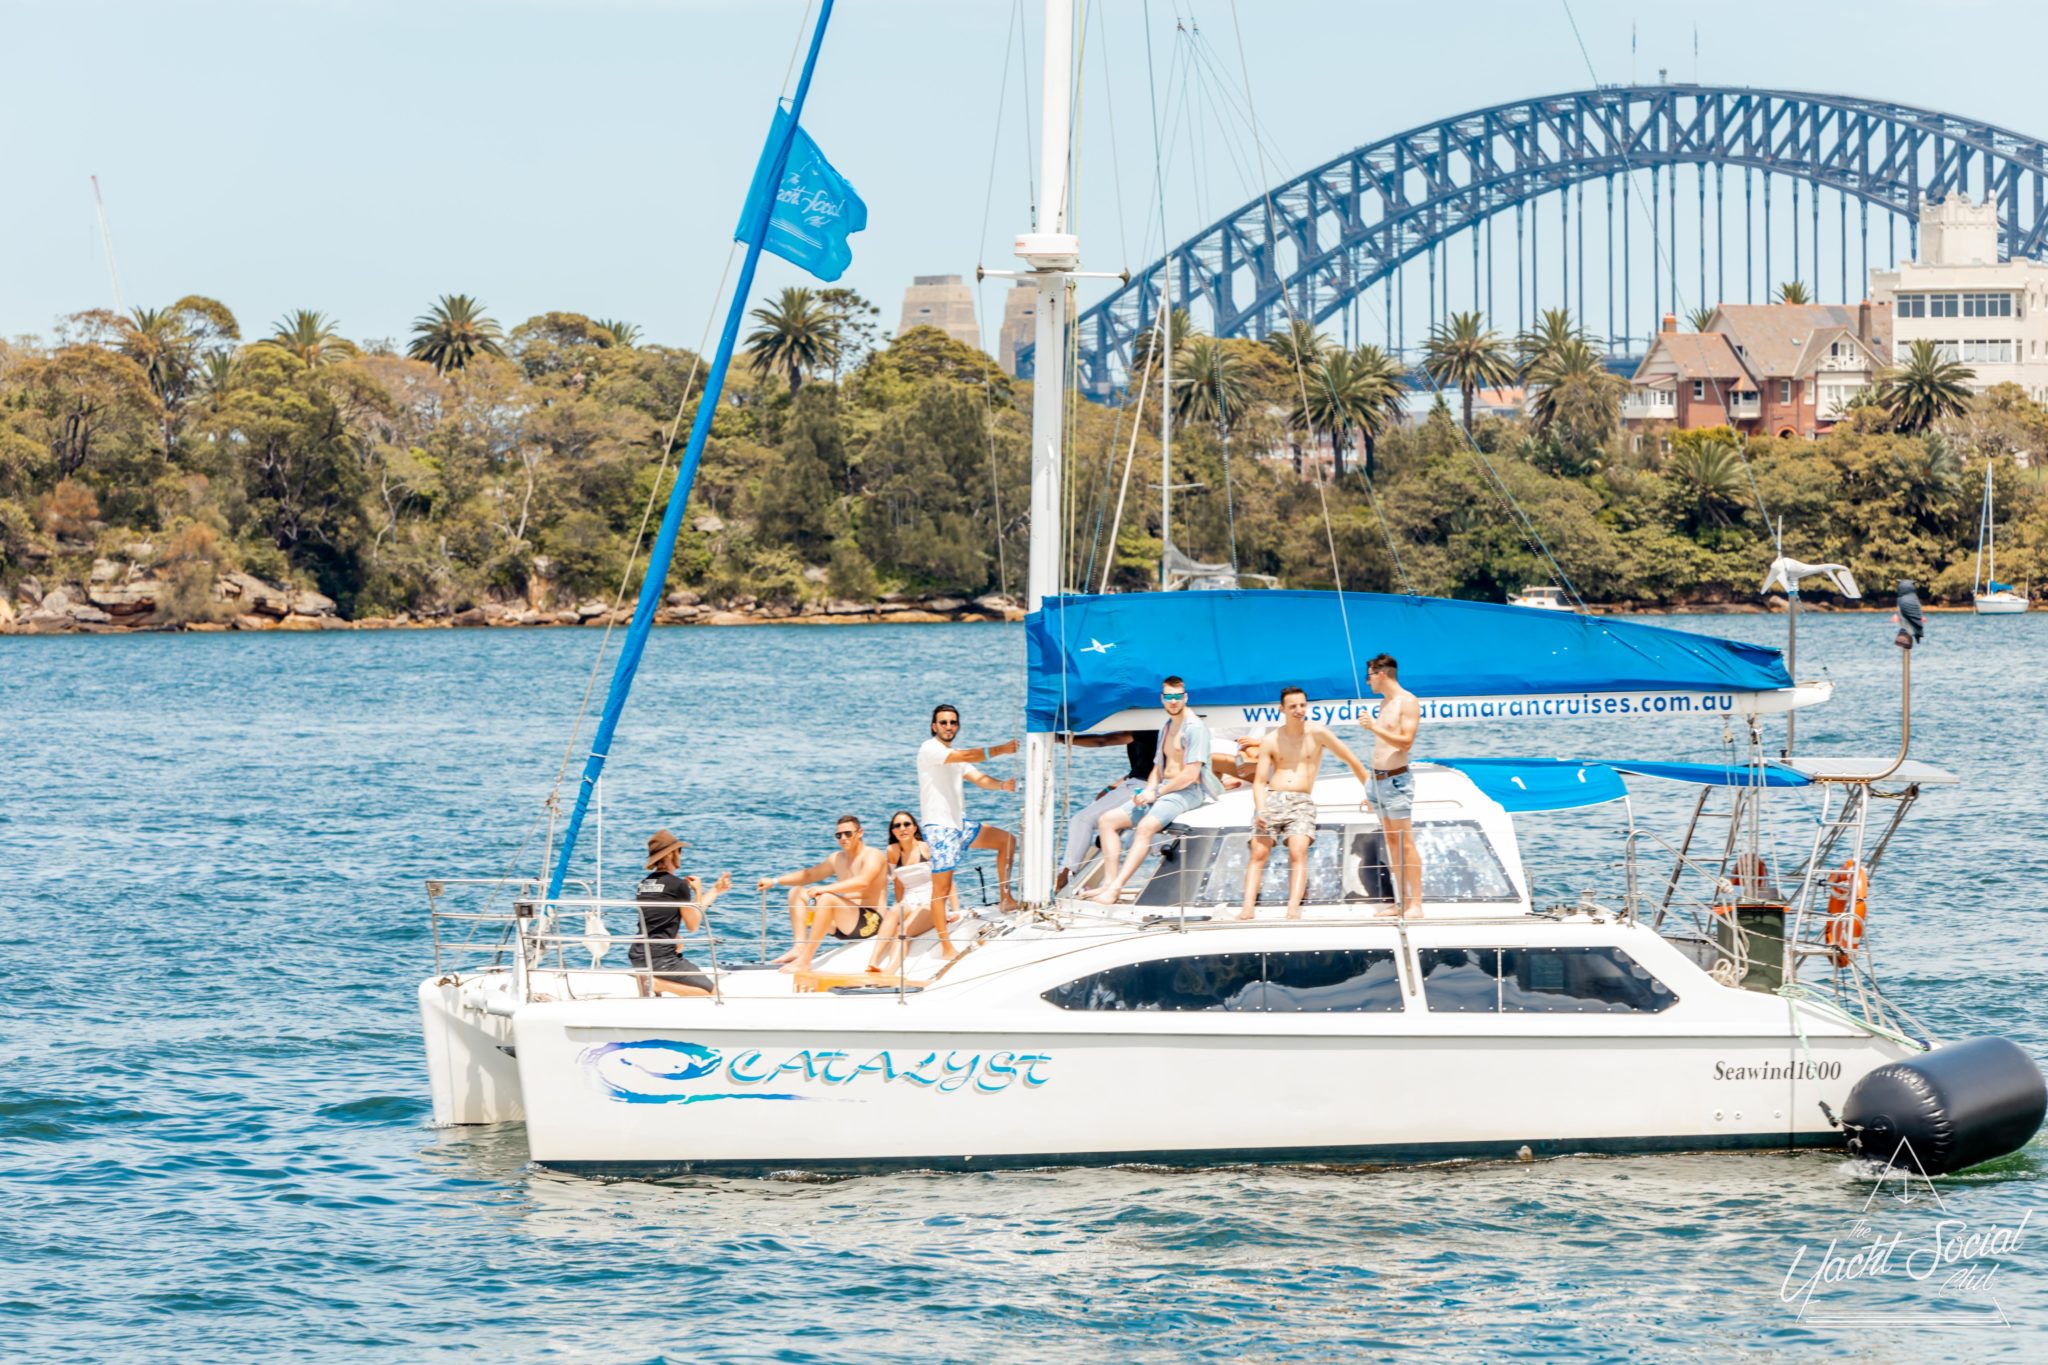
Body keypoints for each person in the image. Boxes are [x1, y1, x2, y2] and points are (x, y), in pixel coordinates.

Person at [1086, 675, 1222, 903]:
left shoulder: (1195, 728)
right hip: (1162, 789)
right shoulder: (1166, 727)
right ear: (1162, 698)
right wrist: (1147, 791)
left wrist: (1157, 793)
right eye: (1169, 697)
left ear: (1185, 697)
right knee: (1107, 821)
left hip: (1187, 791)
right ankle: (1108, 883)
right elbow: (1158, 767)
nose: (1173, 701)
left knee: (1146, 827)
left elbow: (1190, 773)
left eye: (1178, 697)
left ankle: (1116, 888)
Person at [1238, 687, 1371, 921]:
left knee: (1298, 851)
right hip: (1273, 798)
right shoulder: (1270, 740)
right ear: (1282, 709)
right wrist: (1260, 809)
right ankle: (1247, 908)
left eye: (1302, 705)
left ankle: (1293, 908)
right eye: (1293, 706)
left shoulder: (1318, 733)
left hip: (1302, 801)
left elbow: (1351, 760)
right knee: (1259, 852)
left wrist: (1371, 793)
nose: (1299, 710)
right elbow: (1259, 781)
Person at [918, 705, 1019, 941]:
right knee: (941, 891)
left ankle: (1005, 897)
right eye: (943, 722)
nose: (948, 727)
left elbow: (979, 778)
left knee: (1007, 840)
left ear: (958, 726)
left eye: (953, 722)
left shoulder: (955, 757)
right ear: (935, 726)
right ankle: (944, 944)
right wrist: (1001, 749)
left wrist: (1002, 785)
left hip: (960, 825)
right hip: (940, 828)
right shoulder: (930, 749)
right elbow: (966, 756)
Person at [756, 814, 889, 974]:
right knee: (797, 892)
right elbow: (809, 875)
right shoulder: (836, 858)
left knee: (827, 898)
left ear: (860, 833)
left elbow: (863, 881)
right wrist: (775, 881)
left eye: (848, 833)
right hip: (842, 925)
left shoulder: (872, 855)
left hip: (870, 923)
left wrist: (826, 889)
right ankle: (799, 947)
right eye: (838, 835)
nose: (843, 838)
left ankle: (805, 960)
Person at [1358, 653, 1424, 918]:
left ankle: (1416, 903)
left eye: (1369, 676)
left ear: (1381, 674)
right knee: (1391, 844)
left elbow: (1405, 742)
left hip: (1396, 780)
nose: (1368, 682)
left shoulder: (1407, 701)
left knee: (1404, 842)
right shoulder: (1384, 703)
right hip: (1377, 781)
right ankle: (1403, 901)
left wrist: (1373, 727)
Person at [1054, 728, 1158, 890]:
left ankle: (1066, 876)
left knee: (1082, 820)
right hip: (1142, 784)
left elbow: (1103, 741)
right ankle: (1080, 877)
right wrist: (1110, 788)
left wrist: (1061, 738)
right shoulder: (1158, 727)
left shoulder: (1146, 728)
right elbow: (1144, 766)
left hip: (1142, 787)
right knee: (1103, 824)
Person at [634, 829, 732, 997]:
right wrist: (698, 891)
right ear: (671, 854)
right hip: (662, 959)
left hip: (639, 955)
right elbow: (693, 925)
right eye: (679, 851)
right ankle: (657, 983)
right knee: (716, 995)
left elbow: (664, 918)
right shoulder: (678, 885)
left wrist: (715, 890)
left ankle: (652, 981)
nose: (681, 855)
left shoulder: (644, 883)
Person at [868, 809, 939, 974]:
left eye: (907, 824)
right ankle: (873, 961)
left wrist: (953, 910)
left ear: (915, 827)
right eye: (897, 825)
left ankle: (889, 971)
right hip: (909, 899)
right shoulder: (892, 851)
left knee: (904, 929)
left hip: (931, 901)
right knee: (893, 912)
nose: (902, 828)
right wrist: (900, 905)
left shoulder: (926, 848)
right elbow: (898, 884)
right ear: (893, 831)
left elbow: (946, 880)